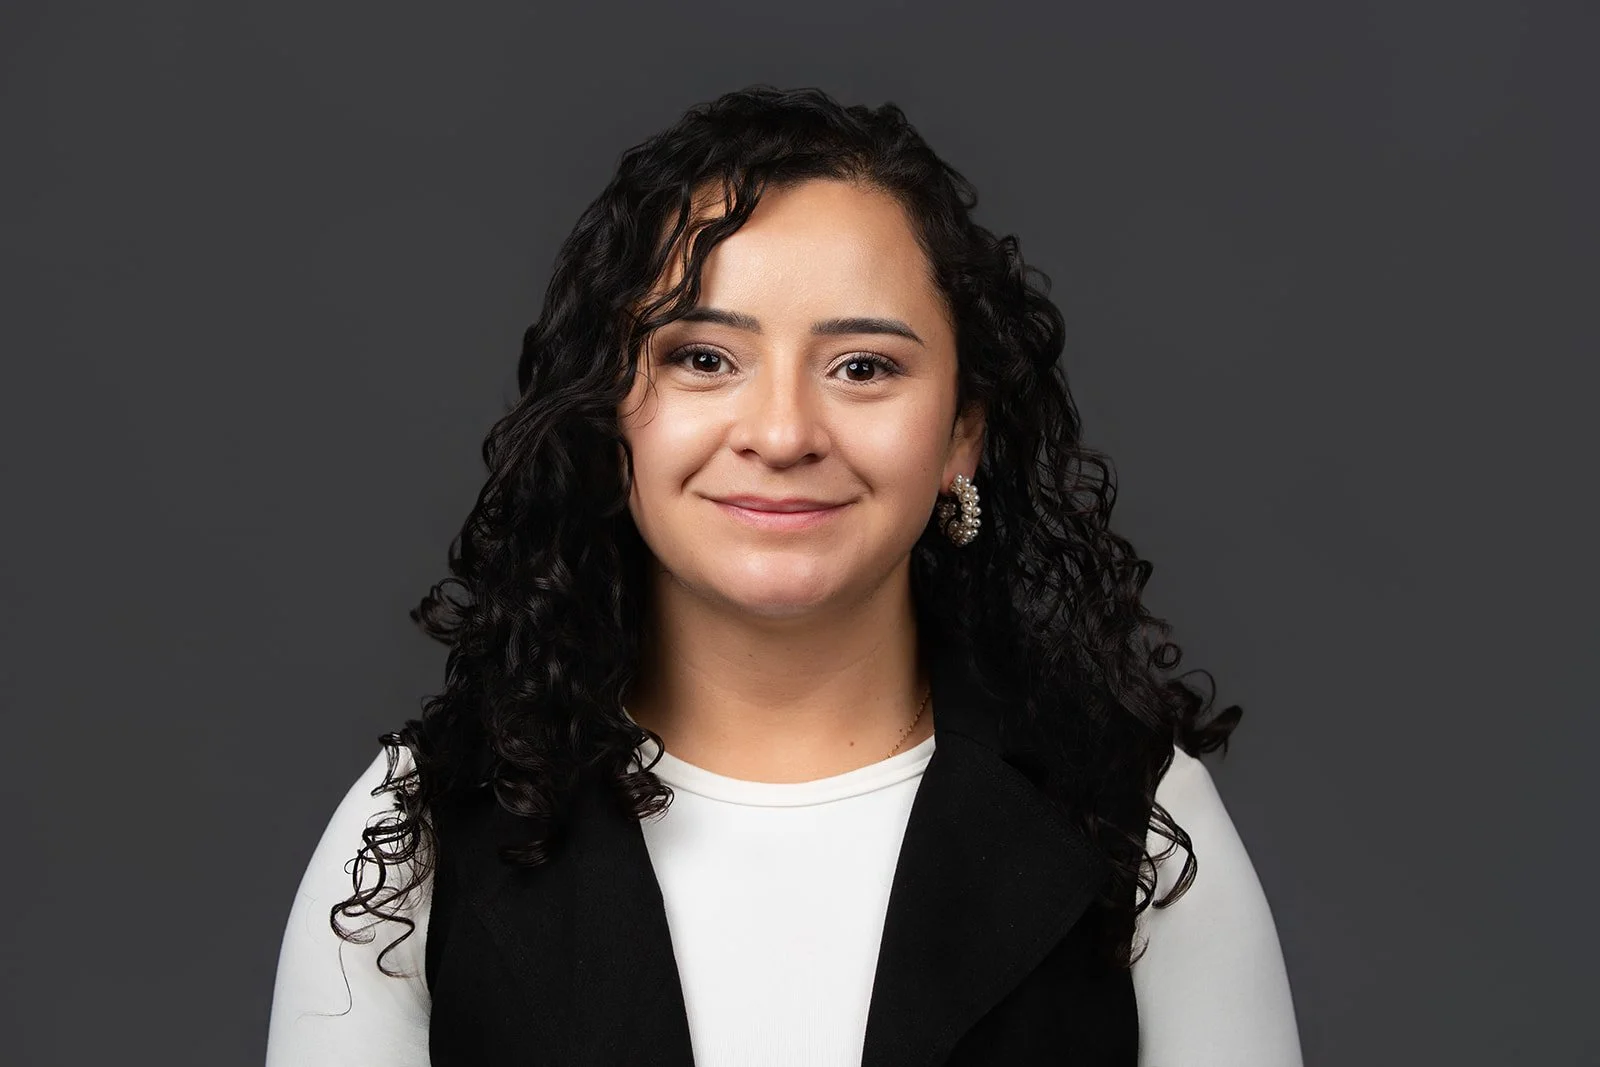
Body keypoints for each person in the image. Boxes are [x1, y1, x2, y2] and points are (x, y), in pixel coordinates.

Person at [265, 85, 1303, 1066]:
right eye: (703, 358)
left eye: (863, 367)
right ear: (608, 411)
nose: (780, 432)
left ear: (962, 433)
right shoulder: (416, 829)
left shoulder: (1140, 817)